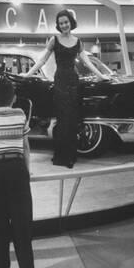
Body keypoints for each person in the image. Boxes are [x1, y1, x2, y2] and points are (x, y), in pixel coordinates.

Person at [24, 10, 109, 168]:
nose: (64, 25)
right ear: (58, 25)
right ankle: (61, 156)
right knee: (62, 119)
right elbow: (42, 60)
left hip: (73, 82)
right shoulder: (54, 40)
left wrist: (101, 75)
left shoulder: (78, 41)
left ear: (71, 22)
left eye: (66, 22)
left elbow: (87, 62)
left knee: (72, 120)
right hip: (60, 82)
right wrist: (27, 74)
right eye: (61, 23)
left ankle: (70, 155)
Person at [0, 78, 42, 268]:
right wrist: (26, 171)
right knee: (22, 225)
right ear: (14, 98)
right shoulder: (19, 114)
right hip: (17, 169)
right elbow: (25, 146)